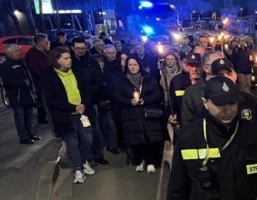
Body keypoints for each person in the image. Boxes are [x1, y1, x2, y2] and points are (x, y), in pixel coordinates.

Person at [42, 47, 95, 183]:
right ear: (57, 60)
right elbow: (51, 99)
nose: (69, 60)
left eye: (69, 57)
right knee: (72, 142)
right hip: (66, 116)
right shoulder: (49, 77)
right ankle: (78, 169)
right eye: (65, 58)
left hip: (83, 113)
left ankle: (84, 160)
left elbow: (86, 89)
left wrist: (84, 104)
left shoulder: (76, 71)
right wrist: (72, 107)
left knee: (88, 139)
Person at [111, 56, 166, 173]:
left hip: (147, 112)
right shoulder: (122, 80)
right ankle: (140, 160)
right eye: (130, 65)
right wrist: (129, 101)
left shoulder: (148, 79)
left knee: (150, 138)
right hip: (131, 114)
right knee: (136, 139)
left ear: (139, 65)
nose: (133, 67)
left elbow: (157, 94)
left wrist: (145, 100)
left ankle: (150, 161)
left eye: (135, 65)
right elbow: (117, 97)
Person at [71, 37, 108, 165]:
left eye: (82, 48)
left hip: (90, 103)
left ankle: (98, 155)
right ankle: (87, 158)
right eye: (77, 48)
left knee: (95, 130)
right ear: (73, 48)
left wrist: (89, 96)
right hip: (76, 105)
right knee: (83, 132)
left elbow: (99, 81)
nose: (80, 50)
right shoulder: (70, 64)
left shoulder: (92, 62)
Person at [0, 45, 39, 144]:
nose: (19, 52)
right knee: (20, 118)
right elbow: (7, 82)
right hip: (16, 97)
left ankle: (29, 134)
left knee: (28, 116)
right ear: (9, 53)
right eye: (16, 51)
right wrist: (23, 82)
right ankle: (23, 138)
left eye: (18, 50)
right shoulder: (6, 66)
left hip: (27, 94)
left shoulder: (20, 62)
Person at [167, 52, 202, 129]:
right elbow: (171, 104)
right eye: (191, 65)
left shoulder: (208, 82)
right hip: (184, 125)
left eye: (197, 66)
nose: (194, 69)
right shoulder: (176, 82)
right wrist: (170, 115)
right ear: (187, 66)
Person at [25, 33, 52, 125]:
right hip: (42, 84)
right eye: (46, 41)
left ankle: (42, 119)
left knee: (44, 103)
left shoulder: (45, 51)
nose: (48, 43)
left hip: (48, 82)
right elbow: (35, 71)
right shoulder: (32, 55)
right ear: (41, 43)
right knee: (45, 103)